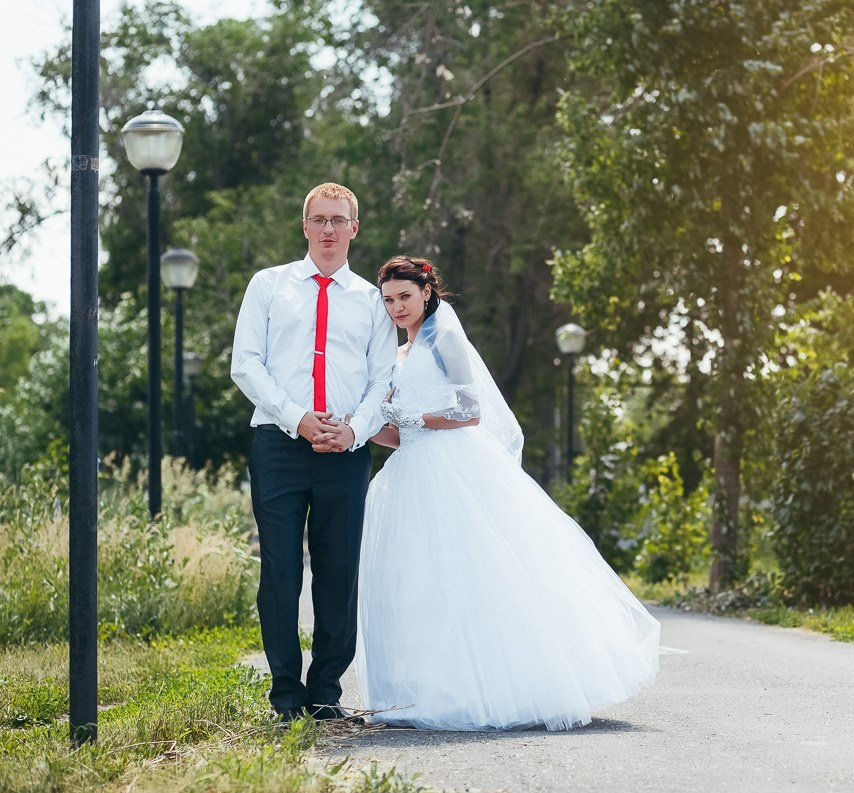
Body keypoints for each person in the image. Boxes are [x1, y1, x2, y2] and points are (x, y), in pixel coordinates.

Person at [354, 255, 661, 731]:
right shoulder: (398, 354)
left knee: (469, 576)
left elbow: (470, 410)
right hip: (409, 470)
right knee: (418, 583)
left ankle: (496, 689)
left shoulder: (445, 337)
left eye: (405, 296)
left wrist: (411, 417)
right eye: (389, 299)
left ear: (427, 292)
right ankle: (427, 693)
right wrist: (364, 426)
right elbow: (396, 435)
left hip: (452, 467)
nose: (396, 307)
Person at [231, 183, 396, 722]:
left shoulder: (372, 301)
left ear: (354, 228)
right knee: (280, 571)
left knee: (338, 571)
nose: (328, 229)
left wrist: (354, 431)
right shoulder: (268, 286)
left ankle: (325, 692)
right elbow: (246, 364)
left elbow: (382, 379)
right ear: (304, 226)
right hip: (278, 444)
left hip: (345, 450)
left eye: (338, 220)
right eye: (319, 219)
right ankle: (286, 695)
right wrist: (296, 417)